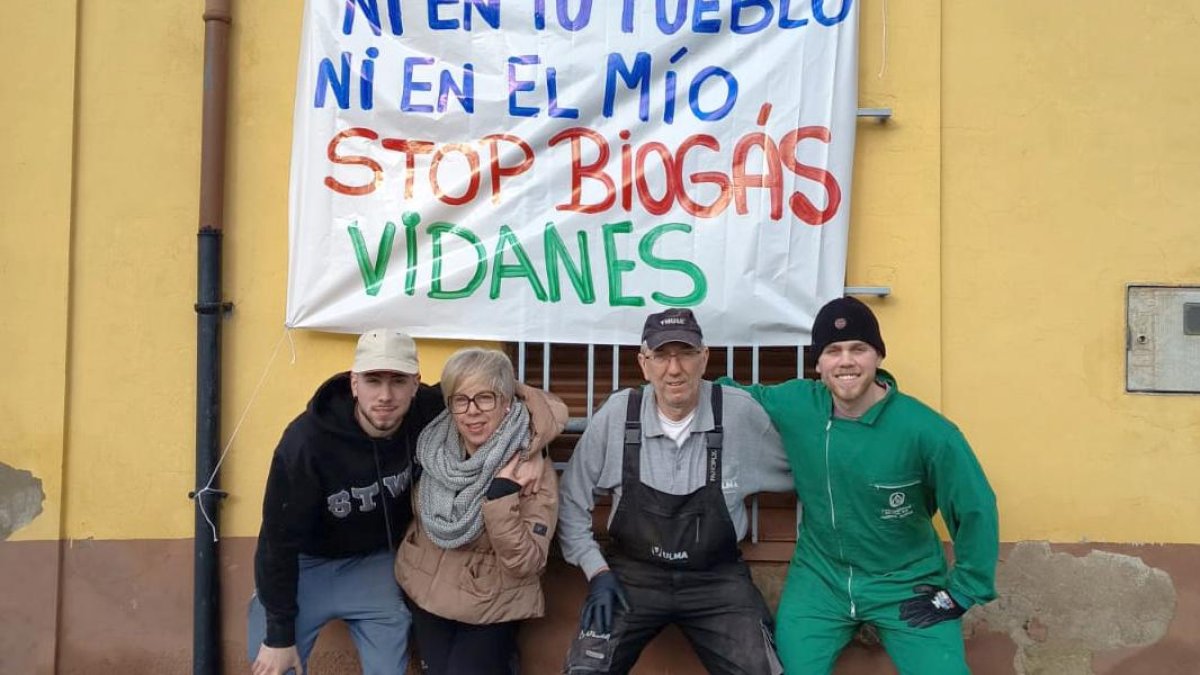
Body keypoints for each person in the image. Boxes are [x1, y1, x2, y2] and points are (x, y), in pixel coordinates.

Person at [248, 329, 558, 675]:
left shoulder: (428, 408)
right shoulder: (305, 444)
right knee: (274, 665)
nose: (385, 395)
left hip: (375, 563)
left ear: (416, 384)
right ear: (354, 383)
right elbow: (277, 540)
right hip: (305, 565)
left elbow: (525, 398)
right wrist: (277, 635)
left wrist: (532, 447)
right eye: (373, 380)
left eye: (397, 381)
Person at [719, 296, 999, 675]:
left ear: (878, 356)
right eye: (832, 351)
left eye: (858, 348)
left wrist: (964, 590)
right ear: (817, 363)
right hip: (820, 579)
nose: (846, 360)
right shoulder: (797, 403)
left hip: (906, 582)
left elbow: (975, 506)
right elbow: (728, 397)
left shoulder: (928, 432)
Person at [559, 308, 792, 675]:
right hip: (631, 578)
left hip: (716, 580)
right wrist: (597, 571)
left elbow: (806, 473)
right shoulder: (619, 415)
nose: (674, 369)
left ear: (704, 358)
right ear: (643, 363)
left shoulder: (737, 414)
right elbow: (571, 500)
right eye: (662, 356)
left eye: (685, 353)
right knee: (585, 671)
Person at [395, 348, 566, 675]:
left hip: (491, 601)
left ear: (506, 402)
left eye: (485, 398)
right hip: (425, 589)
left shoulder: (528, 469)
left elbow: (528, 562)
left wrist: (501, 500)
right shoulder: (435, 445)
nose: (472, 412)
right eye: (460, 400)